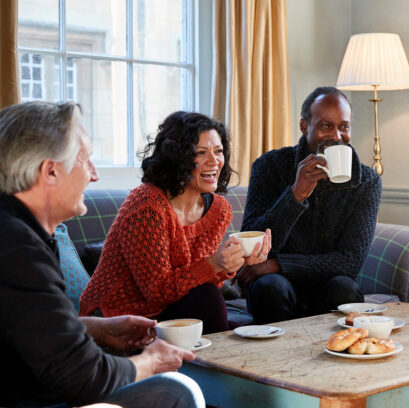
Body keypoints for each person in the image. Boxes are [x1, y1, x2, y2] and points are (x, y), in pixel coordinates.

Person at [0, 101, 204, 407]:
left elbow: (21, 328)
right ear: (51, 171)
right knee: (175, 392)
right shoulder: (18, 248)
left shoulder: (19, 232)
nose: (94, 175)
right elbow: (83, 378)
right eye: (85, 160)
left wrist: (97, 329)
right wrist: (151, 361)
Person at [80, 111, 271, 333]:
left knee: (244, 333)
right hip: (116, 315)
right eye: (201, 152)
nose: (214, 161)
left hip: (169, 309)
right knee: (215, 311)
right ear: (177, 158)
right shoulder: (147, 206)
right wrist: (215, 264)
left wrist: (235, 263)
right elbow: (158, 292)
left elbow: (198, 286)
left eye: (218, 151)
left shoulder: (219, 210)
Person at [239, 86, 382, 324]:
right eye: (326, 125)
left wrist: (279, 265)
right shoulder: (269, 166)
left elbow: (350, 261)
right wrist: (295, 195)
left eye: (344, 127)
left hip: (326, 286)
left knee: (345, 289)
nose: (337, 136)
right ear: (304, 126)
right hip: (275, 286)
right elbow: (254, 242)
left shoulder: (366, 181)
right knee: (272, 287)